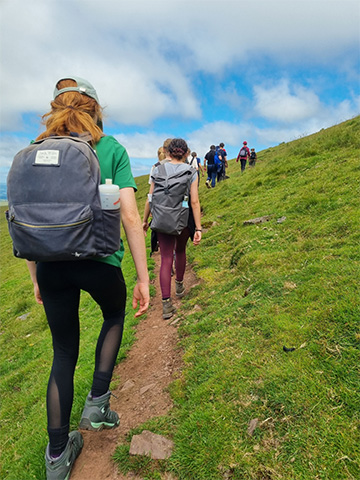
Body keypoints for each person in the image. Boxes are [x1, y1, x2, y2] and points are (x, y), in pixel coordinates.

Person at [25, 76, 150, 480]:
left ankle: (57, 458)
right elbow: (130, 216)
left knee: (63, 353)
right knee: (113, 317)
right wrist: (143, 278)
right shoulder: (111, 148)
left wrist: (36, 278)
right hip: (99, 259)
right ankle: (97, 403)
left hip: (49, 263)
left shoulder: (34, 149)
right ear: (96, 110)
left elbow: (28, 222)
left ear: (55, 110)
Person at [143, 138, 202, 319]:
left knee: (166, 258)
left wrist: (145, 220)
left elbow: (150, 198)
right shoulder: (191, 171)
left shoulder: (157, 169)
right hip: (182, 218)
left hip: (161, 218)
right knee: (181, 251)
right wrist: (198, 228)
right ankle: (179, 285)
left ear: (167, 152)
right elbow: (194, 201)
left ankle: (166, 305)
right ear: (185, 153)